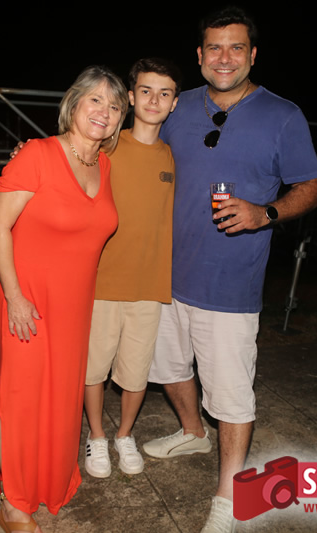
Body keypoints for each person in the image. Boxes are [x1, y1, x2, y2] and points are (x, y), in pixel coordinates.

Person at [140, 7, 317, 533]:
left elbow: (312, 186)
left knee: (231, 394)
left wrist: (266, 213)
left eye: (236, 47)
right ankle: (192, 432)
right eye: (215, 48)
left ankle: (229, 495)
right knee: (168, 368)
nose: (225, 58)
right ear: (199, 55)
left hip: (230, 283)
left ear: (253, 55)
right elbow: (120, 142)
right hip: (164, 276)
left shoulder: (283, 115)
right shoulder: (176, 105)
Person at [0, 65, 128, 533]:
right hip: (26, 298)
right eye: (95, 100)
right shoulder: (38, 155)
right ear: (74, 103)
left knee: (62, 399)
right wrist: (14, 296)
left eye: (114, 106)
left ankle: (49, 479)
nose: (104, 112)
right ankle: (13, 504)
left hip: (74, 306)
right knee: (22, 400)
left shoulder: (103, 165)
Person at [82, 58, 181, 479]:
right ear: (130, 96)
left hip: (149, 287)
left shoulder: (174, 157)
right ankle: (97, 436)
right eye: (146, 90)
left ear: (174, 103)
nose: (154, 100)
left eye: (164, 93)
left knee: (136, 373)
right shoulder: (106, 144)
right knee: (93, 371)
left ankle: (124, 435)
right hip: (101, 283)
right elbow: (66, 157)